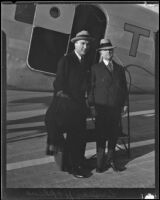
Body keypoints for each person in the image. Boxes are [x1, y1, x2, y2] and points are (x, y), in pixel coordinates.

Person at [45, 30, 95, 178]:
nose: (85, 47)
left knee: (80, 137)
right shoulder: (66, 60)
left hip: (79, 107)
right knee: (74, 138)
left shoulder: (84, 62)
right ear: (75, 44)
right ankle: (73, 168)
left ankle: (79, 161)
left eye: (87, 44)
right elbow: (58, 85)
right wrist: (70, 102)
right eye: (82, 43)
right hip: (67, 108)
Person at [88, 39, 128, 173]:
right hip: (101, 109)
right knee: (100, 137)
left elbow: (123, 89)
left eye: (111, 50)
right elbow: (91, 89)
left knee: (113, 136)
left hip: (115, 109)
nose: (109, 52)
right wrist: (92, 107)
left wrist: (124, 104)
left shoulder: (119, 69)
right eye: (106, 50)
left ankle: (111, 160)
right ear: (101, 52)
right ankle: (100, 164)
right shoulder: (95, 69)